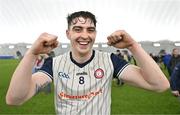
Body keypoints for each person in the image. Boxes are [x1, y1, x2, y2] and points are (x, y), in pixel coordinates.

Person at [6, 11, 170, 115]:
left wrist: (133, 45)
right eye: (78, 29)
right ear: (68, 33)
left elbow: (159, 85)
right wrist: (31, 53)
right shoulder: (54, 64)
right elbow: (15, 99)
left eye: (90, 30)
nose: (85, 35)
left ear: (95, 34)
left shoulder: (110, 61)